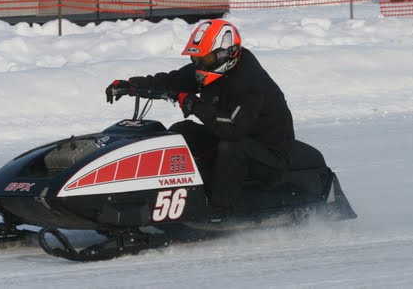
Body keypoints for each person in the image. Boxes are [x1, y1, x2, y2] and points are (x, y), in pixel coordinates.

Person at [105, 19, 295, 218]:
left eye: (206, 59)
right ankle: (169, 192)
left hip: (270, 155)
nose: (199, 65)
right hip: (234, 137)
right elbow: (171, 81)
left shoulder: (249, 81)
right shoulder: (211, 69)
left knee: (231, 148)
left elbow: (233, 128)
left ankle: (219, 210)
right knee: (182, 131)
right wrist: (132, 86)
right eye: (196, 59)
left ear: (226, 54)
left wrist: (194, 105)